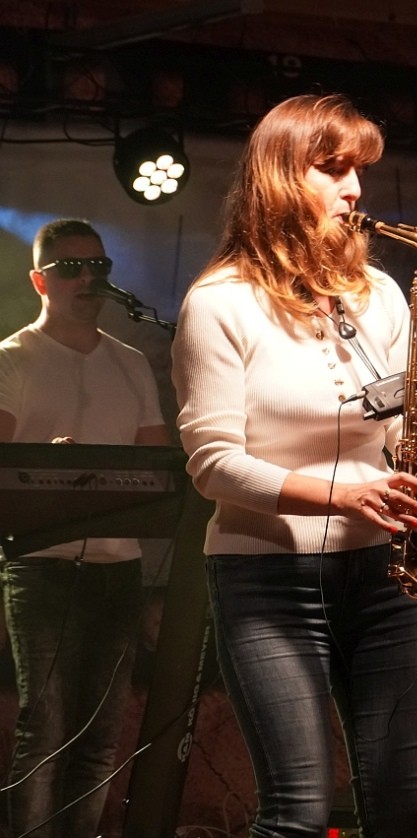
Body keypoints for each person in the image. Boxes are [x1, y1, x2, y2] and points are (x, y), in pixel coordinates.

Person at [170, 93, 417, 838]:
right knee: (298, 816)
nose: (354, 190)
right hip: (266, 581)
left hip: (386, 577)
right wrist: (341, 496)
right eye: (334, 169)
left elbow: (404, 431)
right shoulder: (219, 304)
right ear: (280, 178)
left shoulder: (382, 294)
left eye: (360, 171)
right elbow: (213, 466)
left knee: (405, 814)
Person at [0, 218, 169, 838]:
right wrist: (50, 465)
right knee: (45, 733)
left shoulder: (130, 362)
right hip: (40, 566)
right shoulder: (12, 358)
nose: (88, 278)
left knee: (100, 741)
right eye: (71, 268)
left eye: (98, 266)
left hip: (119, 571)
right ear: (39, 281)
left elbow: (156, 467)